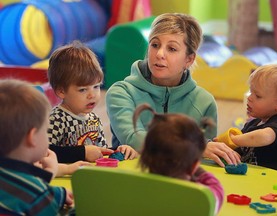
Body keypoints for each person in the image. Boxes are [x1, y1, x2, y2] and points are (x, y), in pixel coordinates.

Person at [106, 13, 240, 167]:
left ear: (189, 59)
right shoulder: (121, 92)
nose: (159, 54)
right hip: (132, 182)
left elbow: (206, 162)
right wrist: (195, 147)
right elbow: (135, 140)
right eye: (155, 45)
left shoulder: (205, 102)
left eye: (172, 48)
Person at [48, 40, 138, 163]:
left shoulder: (93, 119)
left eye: (96, 86)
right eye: (83, 90)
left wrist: (119, 150)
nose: (92, 95)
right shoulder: (56, 119)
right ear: (61, 91)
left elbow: (100, 152)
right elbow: (45, 153)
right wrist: (82, 153)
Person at [133, 104, 224, 214]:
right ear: (194, 166)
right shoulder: (199, 197)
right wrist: (199, 171)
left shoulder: (139, 189)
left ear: (145, 156)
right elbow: (218, 191)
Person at [0, 79, 73, 215]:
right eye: (45, 130)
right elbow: (32, 194)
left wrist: (54, 192)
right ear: (32, 137)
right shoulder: (38, 195)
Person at [216, 64, 277, 173]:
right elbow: (239, 150)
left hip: (274, 184)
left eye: (257, 96)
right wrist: (225, 149)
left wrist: (234, 139)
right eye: (251, 92)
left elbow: (265, 137)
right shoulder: (253, 123)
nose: (249, 98)